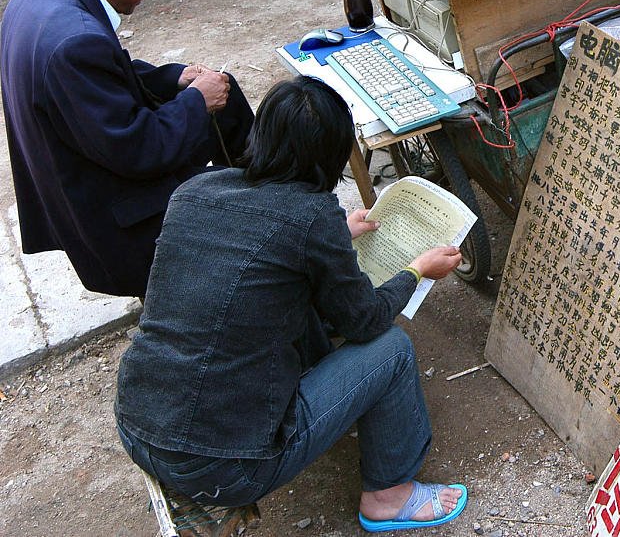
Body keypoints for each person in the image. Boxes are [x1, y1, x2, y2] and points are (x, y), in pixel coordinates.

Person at [114, 76, 468, 532]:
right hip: (225, 468)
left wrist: (337, 233)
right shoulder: (312, 215)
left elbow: (256, 250)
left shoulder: (196, 191)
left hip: (138, 423)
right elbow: (366, 321)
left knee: (286, 304)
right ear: (332, 156)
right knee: (392, 349)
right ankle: (388, 496)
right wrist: (416, 270)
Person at [0, 0, 254, 297]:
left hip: (90, 168)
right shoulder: (75, 43)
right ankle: (269, 220)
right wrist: (194, 101)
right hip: (117, 222)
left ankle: (271, 194)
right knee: (212, 110)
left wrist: (176, 79)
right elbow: (139, 150)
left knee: (225, 94)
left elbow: (105, 76)